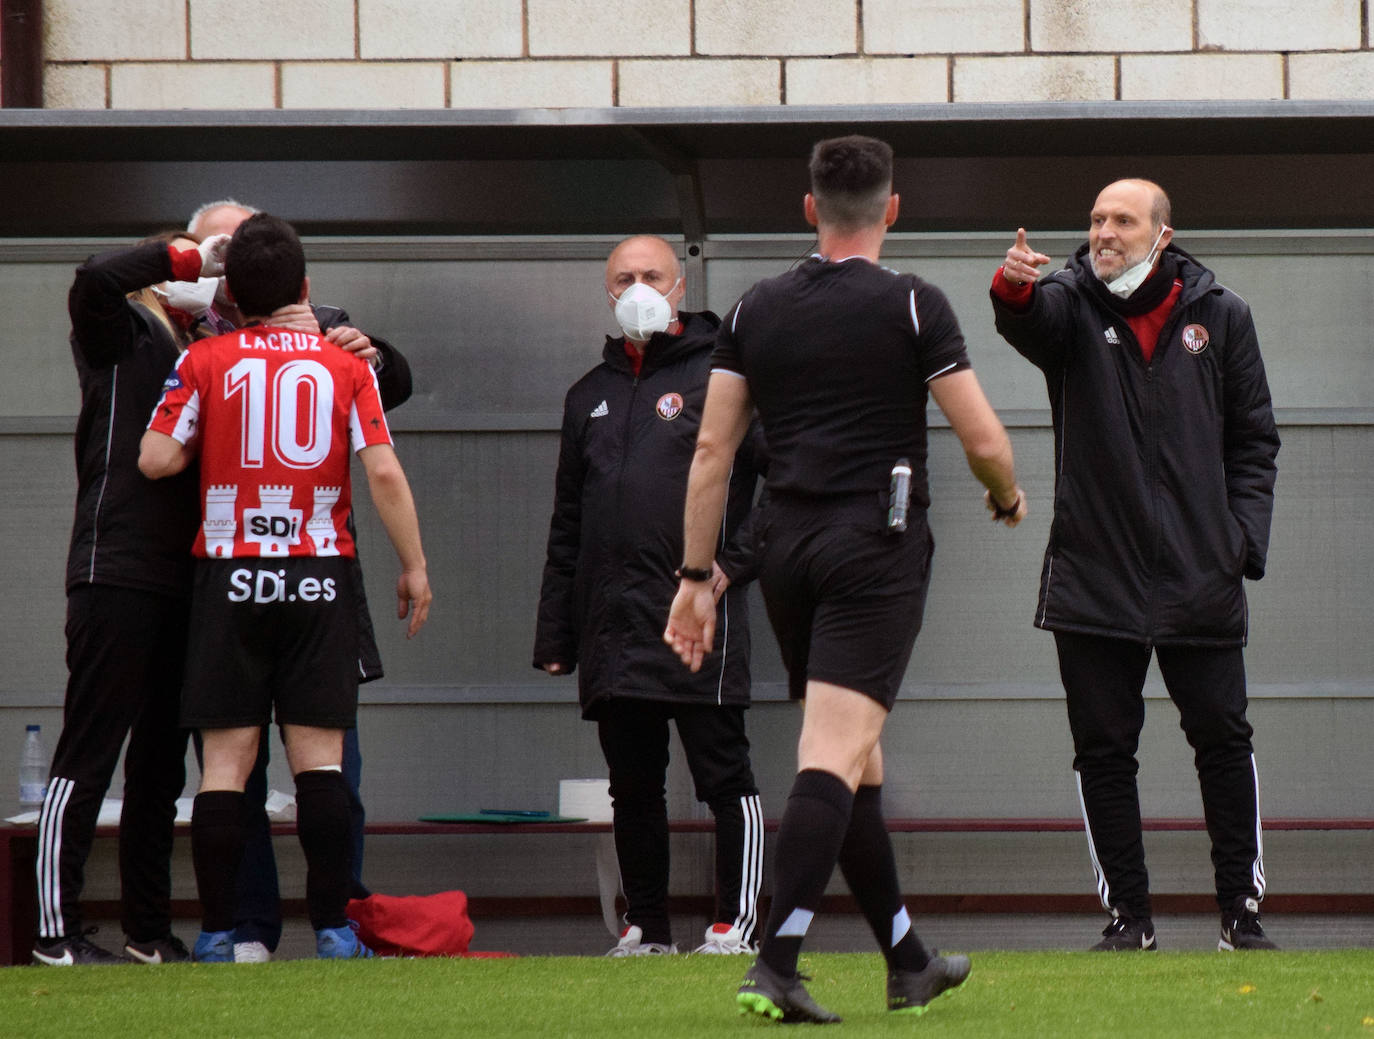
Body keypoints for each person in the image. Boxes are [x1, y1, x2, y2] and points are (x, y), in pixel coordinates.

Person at [665, 135, 1025, 1023]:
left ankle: (908, 960)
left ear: (809, 209)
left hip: (786, 551)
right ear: (892, 210)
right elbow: (983, 440)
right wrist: (1008, 493)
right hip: (876, 548)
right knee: (831, 751)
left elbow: (712, 451)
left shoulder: (753, 307)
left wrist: (693, 575)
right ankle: (775, 960)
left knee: (857, 756)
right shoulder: (913, 305)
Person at [990, 179, 1281, 952]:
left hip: (1200, 575)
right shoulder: (1070, 304)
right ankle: (1130, 918)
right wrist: (1013, 288)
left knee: (1222, 740)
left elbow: (1255, 441)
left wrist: (1240, 543)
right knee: (1104, 750)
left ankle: (1240, 916)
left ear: (1162, 233)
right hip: (1094, 574)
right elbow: (1028, 320)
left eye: (1122, 219)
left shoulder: (1221, 316)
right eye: (1094, 219)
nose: (1104, 232)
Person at [139, 212, 432, 961]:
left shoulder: (205, 359)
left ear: (229, 292)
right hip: (319, 574)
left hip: (229, 574)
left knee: (226, 765)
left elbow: (156, 460)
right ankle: (333, 931)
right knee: (321, 762)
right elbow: (385, 471)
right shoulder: (344, 364)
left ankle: (216, 933)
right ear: (305, 286)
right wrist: (415, 565)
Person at [534, 235, 765, 957]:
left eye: (652, 275)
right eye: (625, 277)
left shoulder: (726, 371)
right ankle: (649, 928)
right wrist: (555, 636)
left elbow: (781, 485)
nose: (639, 287)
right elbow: (568, 521)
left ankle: (737, 922)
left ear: (681, 283)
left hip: (697, 614)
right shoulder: (588, 394)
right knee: (632, 784)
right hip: (613, 624)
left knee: (723, 773)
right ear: (608, 291)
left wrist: (730, 567)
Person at [33, 228, 233, 966]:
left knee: (160, 765)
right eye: (204, 261)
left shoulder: (213, 347)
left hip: (190, 577)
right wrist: (178, 252)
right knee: (88, 751)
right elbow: (91, 279)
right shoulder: (119, 330)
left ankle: (148, 930)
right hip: (114, 567)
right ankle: (55, 930)